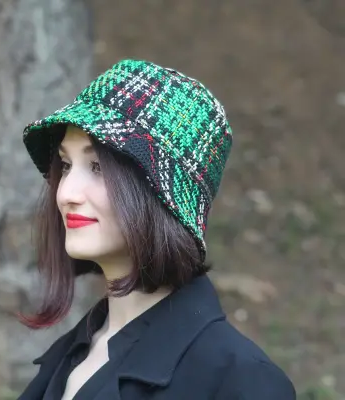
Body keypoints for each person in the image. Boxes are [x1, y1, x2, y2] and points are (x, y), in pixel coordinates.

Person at [17, 59, 296, 400]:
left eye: (97, 167)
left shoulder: (242, 381)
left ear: (164, 196)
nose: (66, 194)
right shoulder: (70, 357)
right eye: (65, 165)